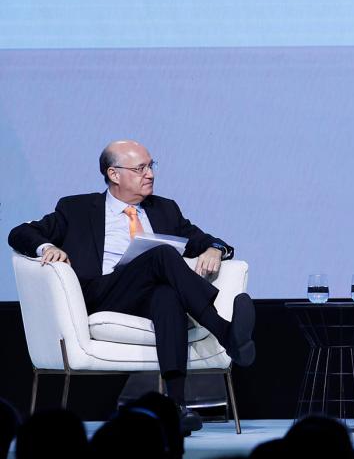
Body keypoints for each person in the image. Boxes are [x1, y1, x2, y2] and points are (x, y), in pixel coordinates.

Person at [7, 140, 256, 433]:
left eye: (151, 166)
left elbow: (201, 239)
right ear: (114, 174)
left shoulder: (164, 209)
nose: (150, 174)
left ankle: (176, 408)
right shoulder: (76, 208)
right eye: (140, 168)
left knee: (167, 296)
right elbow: (20, 232)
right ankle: (224, 331)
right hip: (101, 294)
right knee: (163, 255)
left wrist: (215, 248)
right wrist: (47, 247)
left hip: (144, 297)